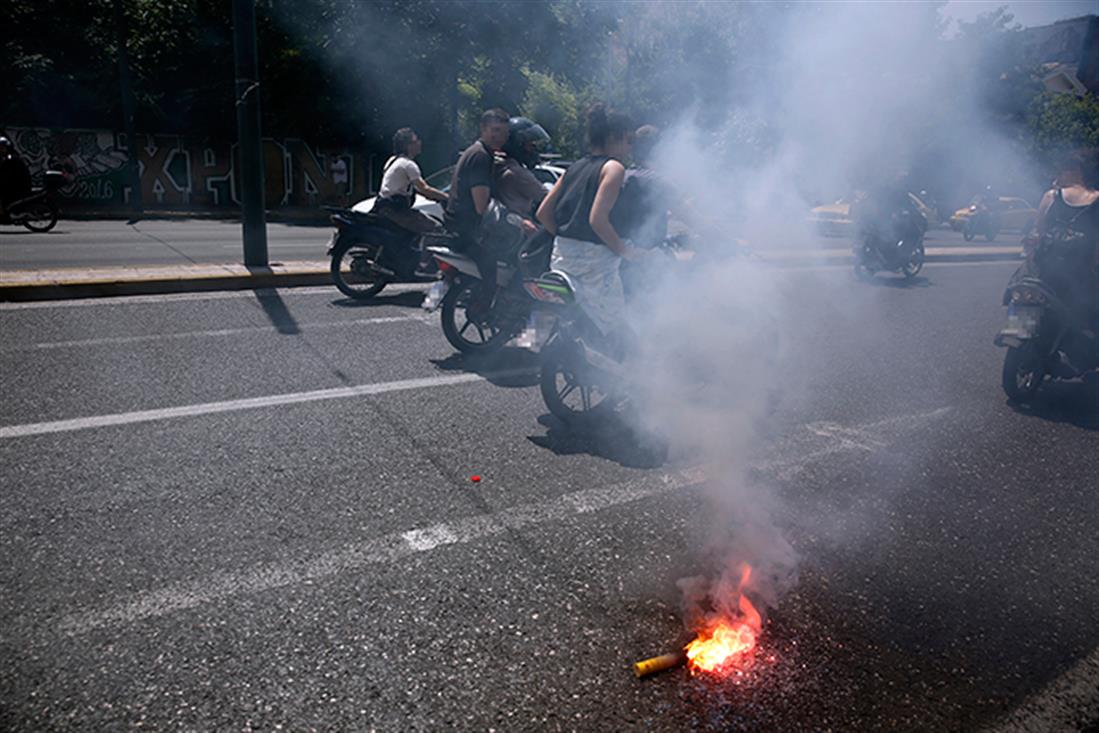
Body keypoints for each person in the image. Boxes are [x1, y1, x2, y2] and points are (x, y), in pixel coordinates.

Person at [536, 103, 642, 348]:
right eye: (628, 140)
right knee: (619, 328)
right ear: (614, 137)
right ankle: (623, 376)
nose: (629, 148)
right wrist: (626, 252)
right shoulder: (614, 168)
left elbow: (543, 213)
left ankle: (546, 344)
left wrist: (568, 236)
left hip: (561, 257)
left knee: (584, 316)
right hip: (595, 264)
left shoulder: (573, 167)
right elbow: (598, 220)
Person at [445, 108, 511, 316]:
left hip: (457, 226)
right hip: (468, 232)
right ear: (483, 129)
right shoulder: (480, 156)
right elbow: (482, 205)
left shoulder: (476, 151)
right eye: (495, 130)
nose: (499, 136)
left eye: (503, 132)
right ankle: (490, 308)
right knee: (505, 257)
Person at [1027, 148, 1099, 328]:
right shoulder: (1096, 199)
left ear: (1074, 171)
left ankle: (1016, 327)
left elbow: (1038, 233)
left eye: (1062, 170)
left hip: (1045, 274)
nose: (1058, 174)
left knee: (1021, 297)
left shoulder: (1050, 196)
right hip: (1081, 277)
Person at [372, 128, 448, 234]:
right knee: (436, 228)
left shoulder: (392, 160)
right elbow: (424, 188)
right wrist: (447, 197)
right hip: (396, 211)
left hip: (383, 208)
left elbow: (409, 187)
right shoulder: (408, 165)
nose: (419, 143)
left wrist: (432, 195)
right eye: (416, 141)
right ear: (407, 146)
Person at [0, 137, 33, 219]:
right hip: (17, 183)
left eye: (2, 148)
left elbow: (6, 174)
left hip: (19, 185)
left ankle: (9, 212)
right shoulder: (10, 157)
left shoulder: (10, 159)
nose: (1, 150)